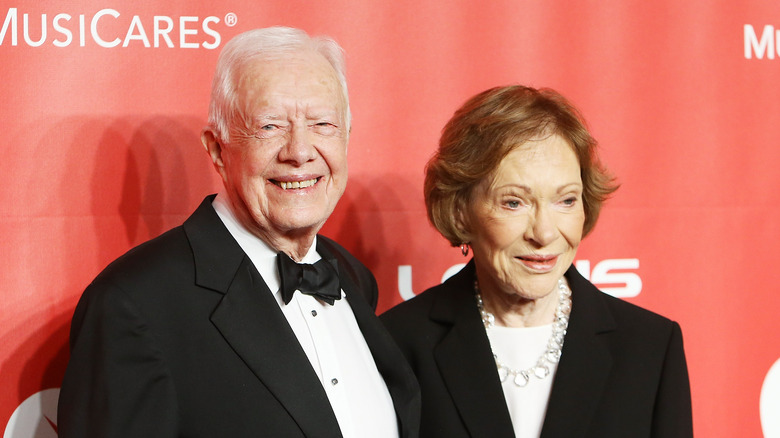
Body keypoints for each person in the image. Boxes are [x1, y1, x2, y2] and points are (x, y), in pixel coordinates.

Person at [58, 26, 420, 438]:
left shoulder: (351, 276)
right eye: (270, 127)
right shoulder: (134, 305)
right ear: (217, 149)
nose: (300, 151)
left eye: (323, 124)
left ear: (347, 139)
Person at [381, 85, 692, 438]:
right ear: (460, 210)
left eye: (566, 200)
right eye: (514, 202)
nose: (544, 233)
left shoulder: (649, 347)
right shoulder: (398, 344)